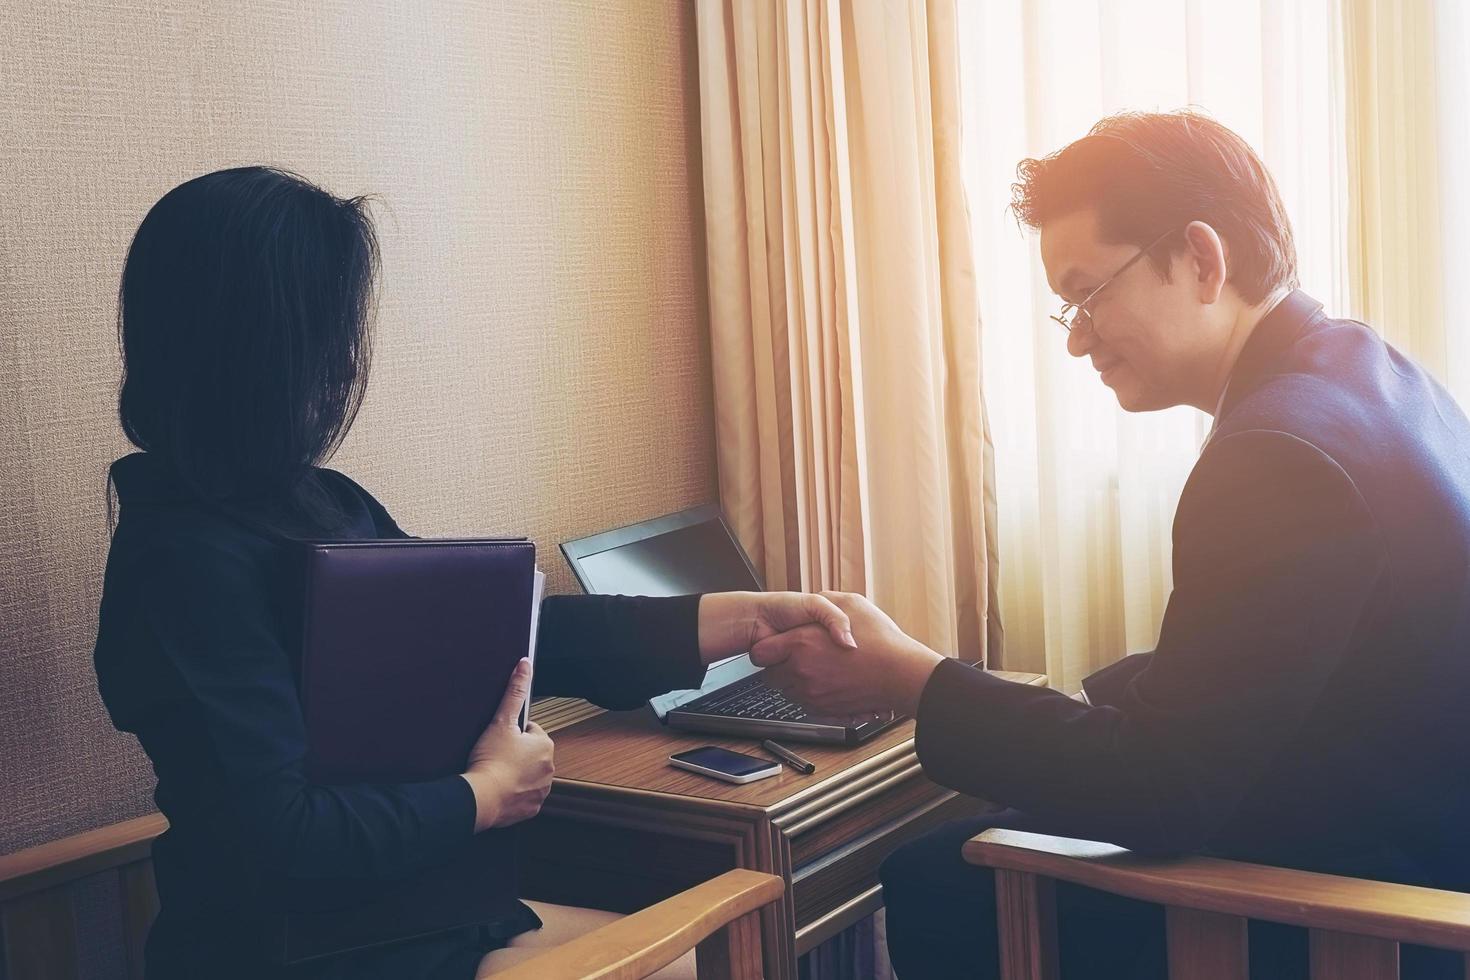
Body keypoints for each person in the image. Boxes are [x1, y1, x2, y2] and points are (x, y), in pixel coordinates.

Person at [747, 111, 1470, 979]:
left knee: (935, 875)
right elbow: (1275, 656)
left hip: (1367, 918)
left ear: (1203, 259)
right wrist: (1086, 703)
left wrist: (910, 679)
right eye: (1068, 310)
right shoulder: (1364, 371)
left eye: (1090, 295)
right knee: (1014, 802)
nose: (1080, 338)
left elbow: (1160, 793)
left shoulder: (1277, 454)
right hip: (1408, 833)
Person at [92, 166, 857, 980]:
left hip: (419, 912)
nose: (342, 367)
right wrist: (485, 796)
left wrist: (735, 619)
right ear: (252, 348)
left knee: (708, 952)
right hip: (289, 948)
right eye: (324, 337)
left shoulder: (323, 504)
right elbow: (281, 832)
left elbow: (496, 636)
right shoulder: (179, 563)